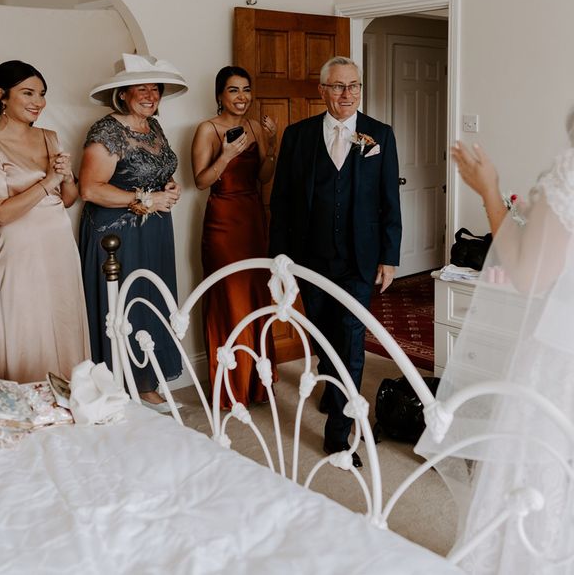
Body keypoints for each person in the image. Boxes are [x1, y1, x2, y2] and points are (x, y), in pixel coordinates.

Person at [416, 135, 574, 573]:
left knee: (534, 473)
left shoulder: (569, 173)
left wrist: (489, 191)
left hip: (561, 360)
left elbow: (527, 274)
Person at [269, 56, 402, 468]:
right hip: (310, 258)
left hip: (359, 260)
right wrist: (280, 261)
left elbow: (388, 201)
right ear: (322, 90)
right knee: (323, 333)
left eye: (354, 86)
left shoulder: (380, 135)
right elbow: (283, 203)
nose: (347, 94)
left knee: (351, 341)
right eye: (339, 86)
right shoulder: (298, 136)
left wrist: (389, 256)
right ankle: (331, 389)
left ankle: (339, 437)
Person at [0, 60, 89, 383]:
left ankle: (69, 397)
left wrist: (65, 177)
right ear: (1, 95)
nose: (38, 101)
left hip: (59, 245)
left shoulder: (50, 137)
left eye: (42, 94)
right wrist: (48, 180)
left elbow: (67, 199)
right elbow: (1, 213)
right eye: (28, 93)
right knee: (26, 325)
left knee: (63, 320)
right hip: (19, 249)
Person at [79, 54, 186, 409]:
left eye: (155, 87)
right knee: (123, 303)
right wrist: (144, 198)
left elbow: (156, 171)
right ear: (122, 93)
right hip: (117, 232)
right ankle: (119, 384)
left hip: (154, 229)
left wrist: (169, 188)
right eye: (142, 87)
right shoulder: (106, 131)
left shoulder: (152, 127)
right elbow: (90, 189)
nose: (151, 94)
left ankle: (145, 381)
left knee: (150, 299)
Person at [191, 66, 278, 407]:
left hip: (253, 218)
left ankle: (258, 383)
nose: (242, 97)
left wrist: (271, 144)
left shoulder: (256, 126)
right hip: (223, 222)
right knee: (230, 296)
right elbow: (200, 180)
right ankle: (231, 385)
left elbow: (264, 177)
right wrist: (226, 155)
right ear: (219, 96)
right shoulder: (207, 129)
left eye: (246, 89)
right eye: (233, 90)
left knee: (256, 295)